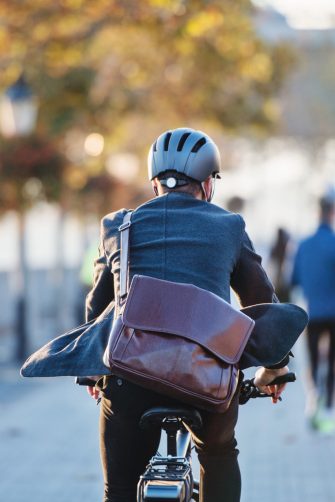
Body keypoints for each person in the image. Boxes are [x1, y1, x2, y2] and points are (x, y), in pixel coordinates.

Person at [85, 128, 289, 502]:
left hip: (130, 378)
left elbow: (97, 310)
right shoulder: (229, 227)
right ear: (208, 185)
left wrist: (92, 371)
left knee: (119, 488)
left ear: (154, 185)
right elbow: (262, 305)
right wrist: (273, 369)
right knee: (218, 453)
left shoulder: (118, 226)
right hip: (207, 378)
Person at [292, 196, 335, 432]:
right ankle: (329, 404)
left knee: (313, 361)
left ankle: (313, 401)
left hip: (313, 313)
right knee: (332, 361)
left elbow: (294, 279)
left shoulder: (304, 245)